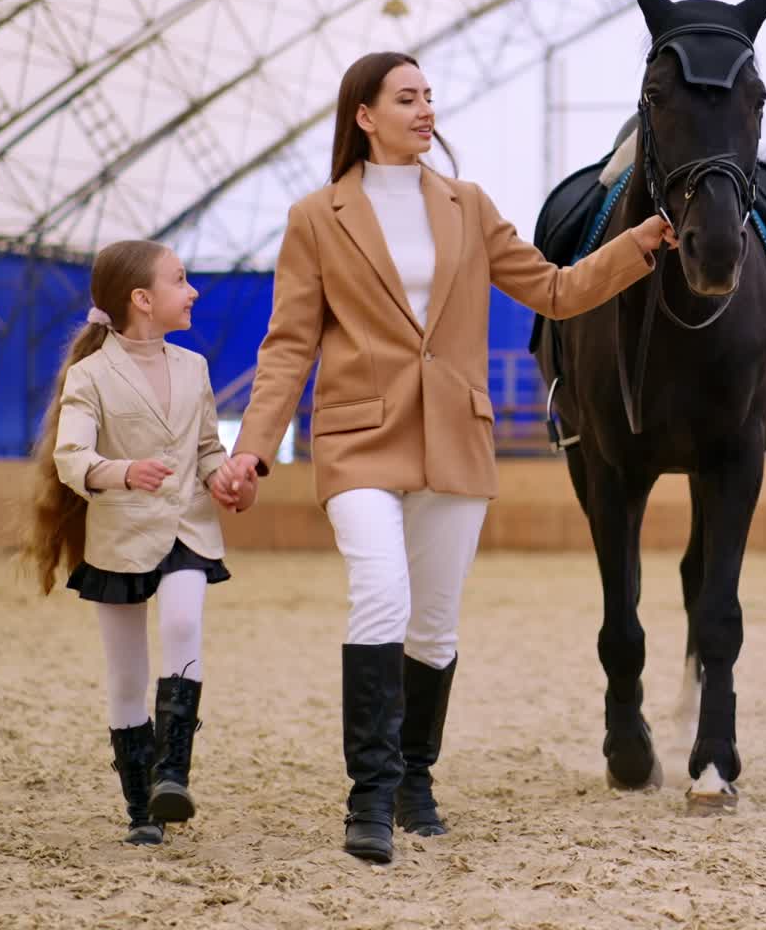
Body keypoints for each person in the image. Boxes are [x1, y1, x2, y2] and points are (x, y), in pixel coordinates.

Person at [213, 52, 672, 863]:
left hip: (455, 436)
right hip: (358, 439)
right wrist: (251, 449)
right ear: (364, 115)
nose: (426, 109)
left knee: (433, 624)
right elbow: (288, 345)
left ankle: (414, 781)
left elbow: (556, 292)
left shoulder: (467, 206)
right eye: (407, 98)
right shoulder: (316, 216)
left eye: (429, 96)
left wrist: (638, 242)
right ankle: (367, 797)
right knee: (381, 594)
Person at [21, 239, 253, 845]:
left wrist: (225, 478)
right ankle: (139, 809)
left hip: (187, 526)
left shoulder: (194, 367)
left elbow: (206, 448)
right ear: (143, 300)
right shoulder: (90, 375)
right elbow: (71, 457)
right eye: (181, 279)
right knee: (126, 676)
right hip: (120, 535)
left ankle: (172, 771)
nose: (194, 289)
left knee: (182, 622)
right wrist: (123, 471)